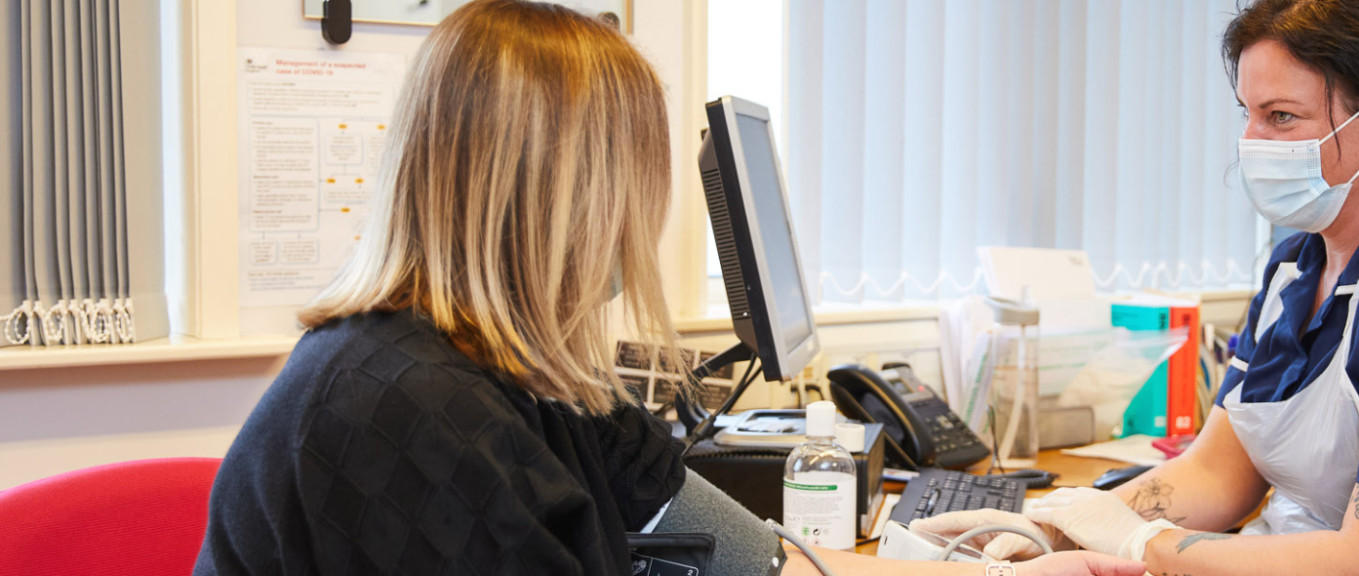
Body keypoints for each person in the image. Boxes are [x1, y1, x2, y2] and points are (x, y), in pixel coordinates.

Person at [191, 2, 1144, 576]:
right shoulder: (402, 407)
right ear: (568, 196)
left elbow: (741, 551)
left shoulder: (528, 376)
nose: (647, 219)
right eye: (638, 182)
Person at [918, 0, 1359, 574]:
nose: (1252, 142)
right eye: (1250, 115)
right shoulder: (1298, 265)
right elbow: (1218, 474)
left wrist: (1149, 544)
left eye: (1282, 117)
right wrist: (1050, 526)